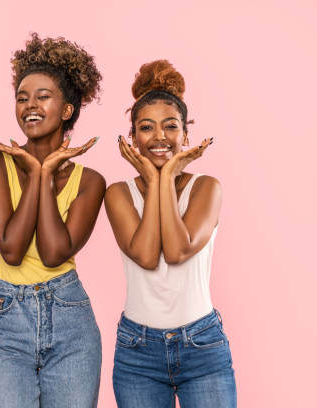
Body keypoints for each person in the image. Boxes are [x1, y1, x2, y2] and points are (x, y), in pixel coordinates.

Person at [0, 33, 105, 408]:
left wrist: (45, 174)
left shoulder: (91, 182)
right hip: (4, 325)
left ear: (67, 109)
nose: (29, 105)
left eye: (42, 96)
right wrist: (36, 172)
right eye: (21, 97)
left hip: (70, 321)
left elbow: (52, 254)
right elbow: (12, 249)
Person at [105, 60, 237, 407]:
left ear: (187, 135)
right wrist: (157, 178)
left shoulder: (206, 188)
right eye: (146, 127)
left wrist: (164, 177)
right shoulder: (118, 193)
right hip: (138, 353)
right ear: (132, 137)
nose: (160, 136)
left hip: (202, 346)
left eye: (170, 126)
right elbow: (148, 256)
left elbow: (177, 250)